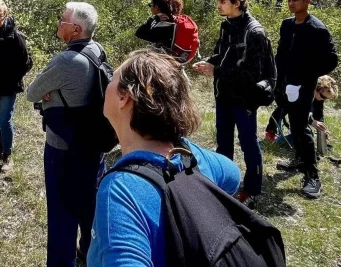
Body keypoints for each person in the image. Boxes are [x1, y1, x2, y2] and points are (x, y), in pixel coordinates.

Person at [88, 50, 241, 267]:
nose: (108, 85)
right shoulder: (190, 155)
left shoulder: (120, 190)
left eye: (113, 79)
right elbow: (232, 174)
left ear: (124, 97)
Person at [27, 2, 108, 267]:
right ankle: (88, 251)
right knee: (89, 205)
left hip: (63, 148)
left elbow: (32, 92)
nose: (58, 24)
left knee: (61, 214)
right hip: (92, 142)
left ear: (74, 29)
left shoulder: (66, 61)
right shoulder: (97, 50)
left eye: (62, 20)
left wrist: (49, 92)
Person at [192, 0, 274, 209]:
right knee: (223, 142)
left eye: (222, 2)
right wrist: (210, 61)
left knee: (248, 144)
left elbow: (253, 74)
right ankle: (224, 184)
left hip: (245, 98)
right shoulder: (226, 25)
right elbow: (223, 53)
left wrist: (215, 71)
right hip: (224, 95)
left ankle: (252, 189)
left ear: (237, 3)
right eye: (218, 1)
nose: (218, 5)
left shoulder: (255, 32)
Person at [273, 0, 338, 199]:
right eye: (289, 0)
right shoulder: (287, 25)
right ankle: (299, 159)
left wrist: (305, 77)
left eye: (296, 0)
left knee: (302, 128)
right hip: (284, 84)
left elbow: (331, 60)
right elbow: (281, 55)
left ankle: (312, 175)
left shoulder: (317, 29)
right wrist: (277, 82)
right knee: (293, 122)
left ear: (308, 1)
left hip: (304, 86)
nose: (291, 3)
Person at [0, 0, 32, 172]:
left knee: (4, 120)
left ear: (6, 14)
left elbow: (26, 63)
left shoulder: (15, 36)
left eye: (0, 15)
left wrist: (13, 78)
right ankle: (3, 140)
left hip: (8, 87)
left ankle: (7, 155)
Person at [265, 75, 339, 142]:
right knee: (283, 109)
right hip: (288, 105)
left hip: (299, 112)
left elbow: (318, 113)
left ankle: (291, 137)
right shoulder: (302, 90)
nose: (324, 100)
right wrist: (311, 121)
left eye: (327, 98)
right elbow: (295, 110)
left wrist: (322, 128)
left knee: (308, 136)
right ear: (317, 89)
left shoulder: (319, 97)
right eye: (323, 97)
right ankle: (272, 132)